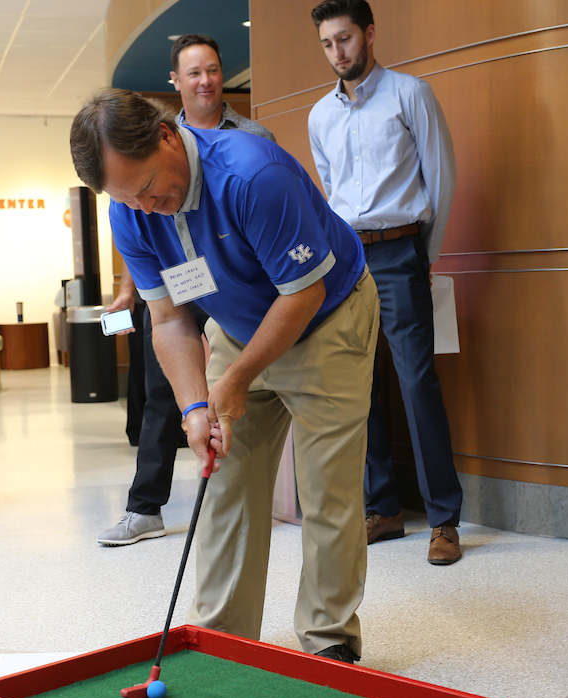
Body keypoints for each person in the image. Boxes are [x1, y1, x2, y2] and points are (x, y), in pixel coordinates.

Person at [71, 88, 379, 662]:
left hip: (326, 317)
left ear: (167, 136)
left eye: (146, 188)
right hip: (238, 326)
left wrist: (234, 381)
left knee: (327, 490)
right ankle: (221, 644)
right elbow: (167, 317)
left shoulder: (252, 175)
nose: (144, 208)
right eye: (125, 200)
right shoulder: (130, 213)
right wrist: (194, 408)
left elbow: (304, 291)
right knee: (224, 482)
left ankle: (328, 643)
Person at [99, 34, 275, 546]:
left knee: (238, 390)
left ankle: (252, 501)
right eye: (193, 72)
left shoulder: (253, 139)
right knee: (167, 389)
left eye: (213, 70)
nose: (205, 80)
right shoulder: (153, 143)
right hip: (182, 282)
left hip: (239, 287)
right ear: (175, 83)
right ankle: (144, 507)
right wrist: (129, 290)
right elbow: (141, 229)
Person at [308, 0, 464, 565]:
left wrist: (424, 254)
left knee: (417, 381)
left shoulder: (409, 94)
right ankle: (384, 509)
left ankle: (444, 519)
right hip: (348, 259)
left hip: (401, 251)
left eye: (345, 39)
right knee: (358, 384)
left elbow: (440, 178)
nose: (337, 53)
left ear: (369, 34)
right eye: (327, 44)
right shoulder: (319, 115)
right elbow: (331, 193)